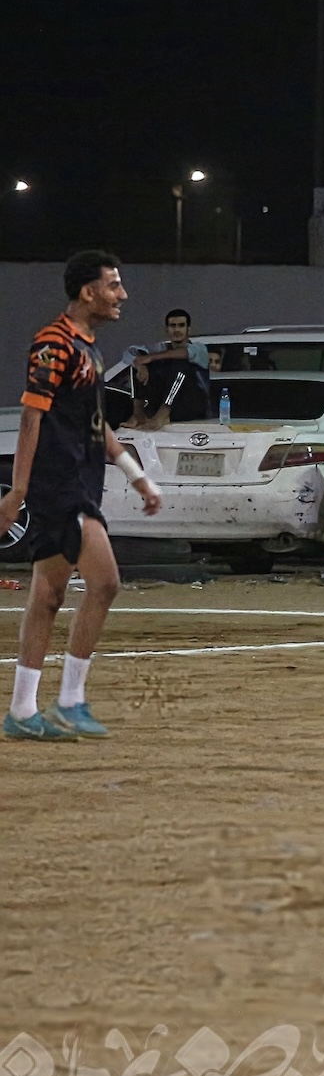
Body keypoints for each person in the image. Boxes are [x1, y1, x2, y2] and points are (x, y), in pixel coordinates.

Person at [2, 250, 164, 740]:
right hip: (60, 487)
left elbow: (97, 426)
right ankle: (69, 700)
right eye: (114, 285)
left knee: (48, 595)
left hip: (78, 483)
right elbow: (31, 416)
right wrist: (18, 491)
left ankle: (23, 710)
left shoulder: (88, 348)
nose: (123, 295)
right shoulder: (54, 343)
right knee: (105, 581)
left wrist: (136, 475)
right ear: (88, 291)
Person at [126, 307, 212, 428]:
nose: (177, 330)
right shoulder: (161, 348)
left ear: (188, 329)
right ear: (167, 330)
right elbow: (129, 353)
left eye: (181, 325)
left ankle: (163, 414)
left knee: (181, 363)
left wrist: (150, 358)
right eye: (173, 326)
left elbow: (185, 353)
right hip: (167, 406)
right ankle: (138, 415)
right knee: (138, 363)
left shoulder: (200, 349)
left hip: (191, 407)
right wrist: (140, 365)